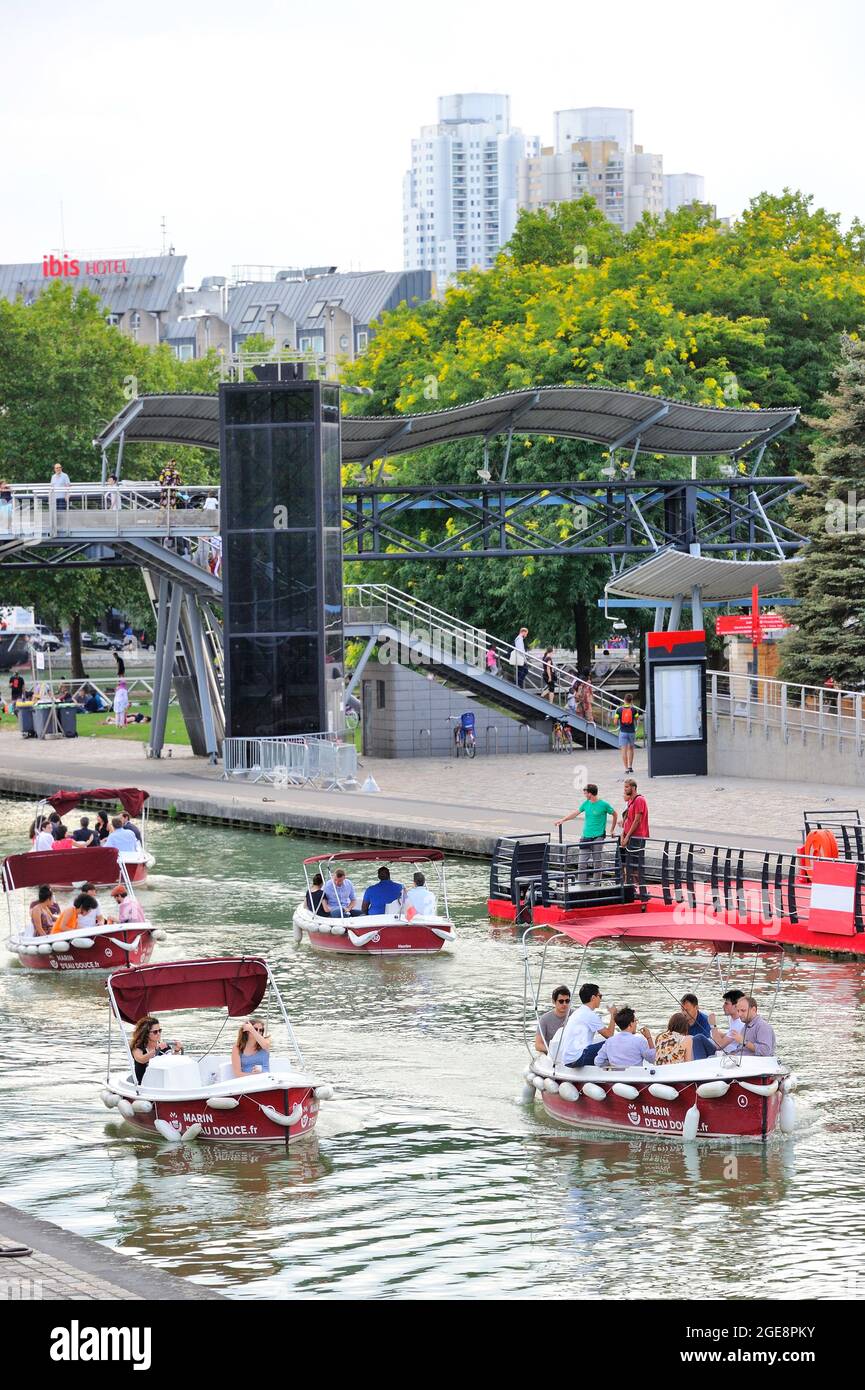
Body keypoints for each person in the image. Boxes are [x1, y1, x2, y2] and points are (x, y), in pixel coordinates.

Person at [555, 784, 618, 884]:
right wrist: (563, 820)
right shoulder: (586, 803)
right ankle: (581, 885)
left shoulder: (604, 804)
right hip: (585, 836)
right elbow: (575, 813)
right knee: (581, 863)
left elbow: (615, 814)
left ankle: (597, 884)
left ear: (590, 793)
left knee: (597, 862)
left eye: (585, 792)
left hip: (598, 836)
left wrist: (612, 829)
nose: (584, 794)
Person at [556, 982, 617, 1068]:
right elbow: (610, 1035)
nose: (601, 999)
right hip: (577, 1058)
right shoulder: (590, 1015)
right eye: (600, 996)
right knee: (614, 1042)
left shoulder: (578, 1012)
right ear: (593, 998)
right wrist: (613, 1015)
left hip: (568, 1059)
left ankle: (604, 1065)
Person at [620, 778, 650, 906]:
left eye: (627, 787)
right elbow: (627, 820)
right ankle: (631, 888)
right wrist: (623, 834)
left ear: (633, 787)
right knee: (628, 864)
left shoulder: (639, 800)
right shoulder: (630, 801)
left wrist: (628, 836)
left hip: (637, 837)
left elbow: (637, 820)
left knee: (636, 864)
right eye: (624, 787)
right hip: (629, 836)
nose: (625, 789)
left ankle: (642, 890)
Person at [130, 1017, 182, 1085]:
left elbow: (172, 1063)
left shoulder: (164, 1047)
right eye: (155, 1032)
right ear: (146, 1033)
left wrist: (176, 1050)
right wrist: (155, 1050)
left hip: (161, 1085)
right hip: (142, 1086)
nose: (158, 1033)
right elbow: (141, 1059)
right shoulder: (137, 1047)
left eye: (159, 1030)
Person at [534, 985, 572, 1054]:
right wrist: (553, 1052)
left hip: (570, 1051)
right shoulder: (544, 1019)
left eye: (567, 1001)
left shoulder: (575, 1015)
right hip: (550, 1054)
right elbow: (538, 1045)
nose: (564, 1004)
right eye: (561, 1001)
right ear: (554, 1002)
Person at [710, 989, 746, 1054]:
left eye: (726, 1004)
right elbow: (732, 1037)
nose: (723, 1006)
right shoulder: (733, 1019)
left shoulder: (739, 1024)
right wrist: (722, 1034)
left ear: (736, 1006)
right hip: (728, 1050)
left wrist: (713, 1025)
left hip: (732, 1055)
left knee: (699, 1038)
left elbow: (719, 1046)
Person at [616, 694, 637, 774]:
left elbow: (615, 721)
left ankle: (626, 769)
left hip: (623, 731)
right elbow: (637, 718)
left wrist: (619, 724)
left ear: (624, 700)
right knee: (631, 749)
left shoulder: (619, 710)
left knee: (623, 751)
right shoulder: (634, 710)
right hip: (631, 731)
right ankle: (630, 767)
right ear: (631, 701)